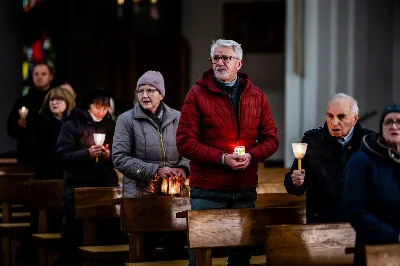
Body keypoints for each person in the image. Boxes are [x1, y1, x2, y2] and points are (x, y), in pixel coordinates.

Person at [176, 39, 279, 266]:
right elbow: (184, 142)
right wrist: (223, 159)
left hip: (243, 190)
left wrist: (251, 156)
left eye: (226, 58)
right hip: (208, 191)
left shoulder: (257, 96)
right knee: (201, 255)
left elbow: (272, 140)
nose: (220, 62)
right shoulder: (196, 95)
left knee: (241, 257)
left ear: (239, 63)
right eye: (216, 58)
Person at [112, 70, 189, 260]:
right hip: (141, 196)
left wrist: (184, 168)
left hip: (174, 195)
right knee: (146, 252)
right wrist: (156, 170)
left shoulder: (178, 117)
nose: (144, 95)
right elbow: (119, 158)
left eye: (151, 90)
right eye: (141, 91)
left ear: (161, 93)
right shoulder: (126, 119)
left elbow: (190, 150)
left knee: (176, 252)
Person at [284, 93, 374, 223]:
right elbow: (294, 185)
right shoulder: (312, 141)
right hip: (321, 222)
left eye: (341, 116)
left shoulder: (369, 142)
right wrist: (295, 182)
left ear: (355, 119)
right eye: (330, 116)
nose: (334, 122)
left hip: (359, 222)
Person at [56, 89, 118, 265]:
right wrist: (86, 154)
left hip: (105, 187)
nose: (101, 111)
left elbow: (121, 156)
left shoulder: (111, 126)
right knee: (76, 235)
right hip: (78, 187)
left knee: (106, 234)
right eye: (97, 106)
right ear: (87, 106)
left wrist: (108, 156)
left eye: (105, 107)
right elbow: (61, 156)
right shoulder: (72, 125)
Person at [344, 104, 400, 265]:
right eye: (389, 122)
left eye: (399, 122)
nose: (394, 126)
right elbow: (353, 209)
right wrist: (394, 236)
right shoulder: (362, 161)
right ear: (381, 128)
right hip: (375, 247)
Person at [7, 63, 53, 165]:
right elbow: (10, 129)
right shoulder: (22, 101)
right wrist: (19, 125)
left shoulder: (55, 100)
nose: (39, 77)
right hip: (27, 155)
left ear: (50, 77)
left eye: (43, 74)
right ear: (32, 76)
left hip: (50, 155)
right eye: (36, 74)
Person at [32, 87, 76, 180]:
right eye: (51, 100)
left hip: (71, 173)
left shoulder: (76, 122)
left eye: (58, 99)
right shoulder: (41, 122)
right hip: (47, 172)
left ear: (67, 101)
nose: (54, 102)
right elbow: (35, 148)